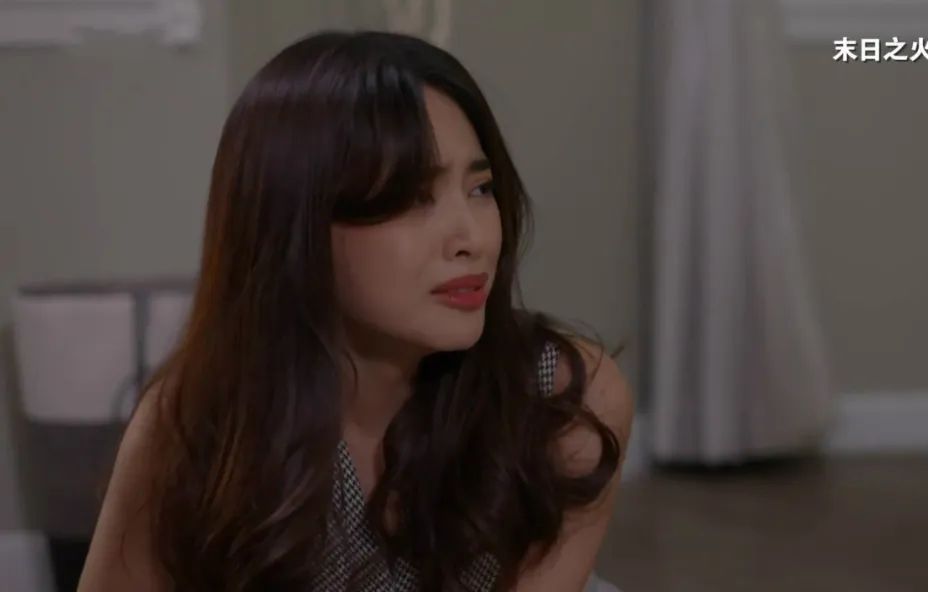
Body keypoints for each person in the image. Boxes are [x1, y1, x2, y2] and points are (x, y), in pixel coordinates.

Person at [77, 31, 633, 592]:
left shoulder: (564, 402)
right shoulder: (195, 425)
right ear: (299, 224)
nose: (474, 239)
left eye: (481, 189)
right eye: (415, 198)